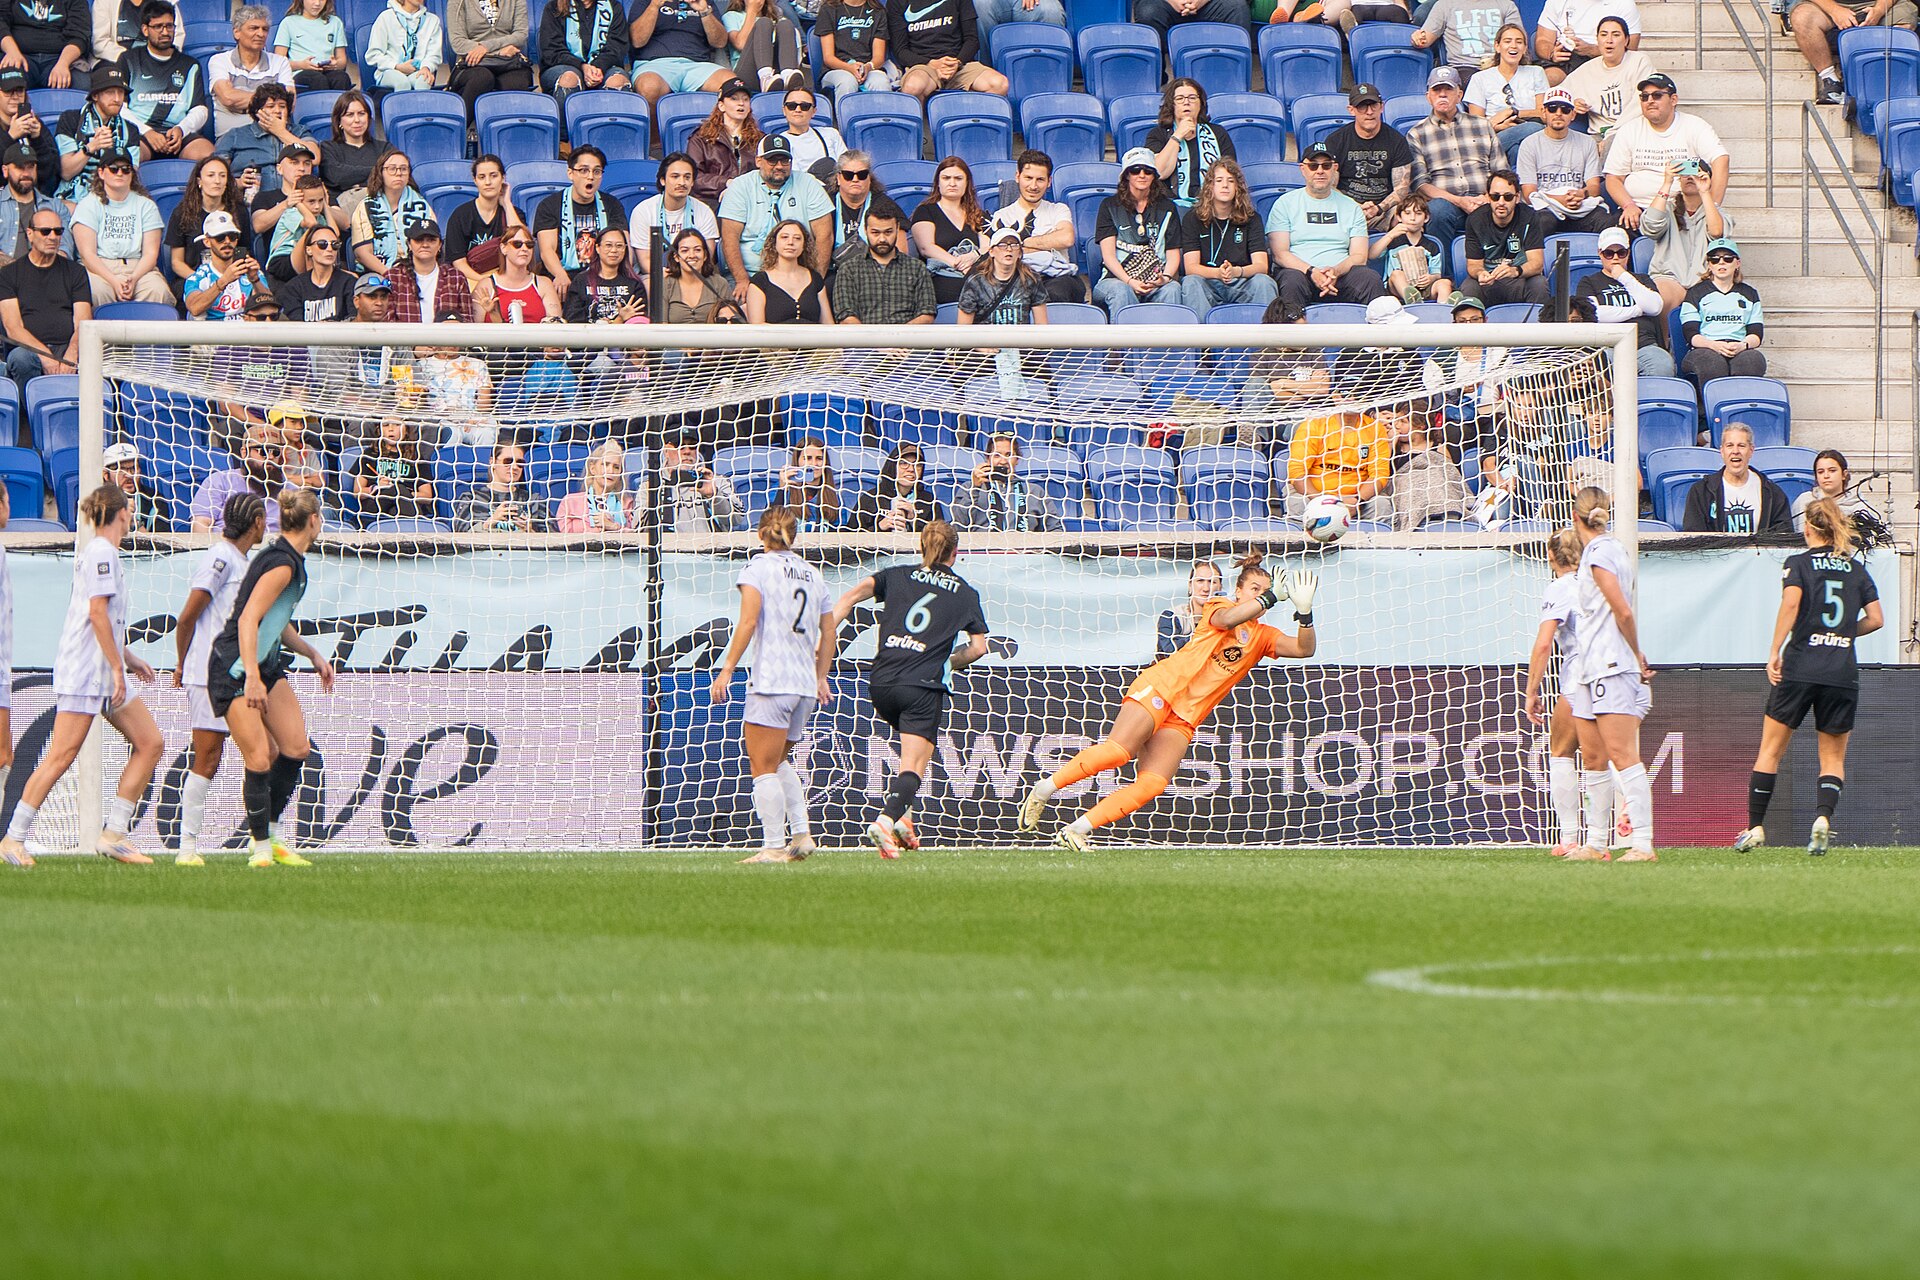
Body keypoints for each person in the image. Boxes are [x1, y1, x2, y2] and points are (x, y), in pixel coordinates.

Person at [1020, 555, 1318, 848]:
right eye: (1255, 588)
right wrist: (1269, 598)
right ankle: (1044, 788)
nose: (1261, 594)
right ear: (1238, 591)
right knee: (1118, 752)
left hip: (1186, 715)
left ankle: (1076, 829)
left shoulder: (1264, 636)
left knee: (1153, 783)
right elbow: (1228, 620)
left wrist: (1305, 614)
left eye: (1265, 589)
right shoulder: (1220, 605)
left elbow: (1304, 650)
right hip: (1162, 687)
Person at [0, 486, 165, 868]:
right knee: (60, 756)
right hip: (86, 673)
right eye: (129, 507)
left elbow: (104, 620)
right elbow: (96, 614)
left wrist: (129, 658)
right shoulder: (102, 553)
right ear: (120, 513)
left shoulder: (103, 553)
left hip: (103, 671)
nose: (132, 513)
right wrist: (115, 667)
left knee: (150, 742)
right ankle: (13, 838)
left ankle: (114, 835)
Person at [830, 520, 990, 857]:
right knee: (914, 766)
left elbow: (848, 598)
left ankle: (905, 821)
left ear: (921, 547)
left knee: (908, 753)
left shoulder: (895, 575)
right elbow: (978, 648)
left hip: (882, 683)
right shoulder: (965, 593)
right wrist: (949, 662)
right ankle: (885, 822)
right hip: (921, 686)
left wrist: (822, 643)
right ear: (956, 553)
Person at [1737, 499, 1885, 854]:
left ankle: (1756, 828)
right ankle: (1822, 818)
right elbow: (1877, 618)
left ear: (1807, 528)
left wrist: (1774, 650)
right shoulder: (1855, 569)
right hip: (1841, 671)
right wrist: (1845, 632)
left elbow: (1791, 604)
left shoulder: (1799, 563)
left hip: (1801, 666)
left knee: (1770, 750)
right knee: (1832, 759)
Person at [208, 486, 335, 868]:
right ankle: (260, 848)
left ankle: (272, 836)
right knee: (261, 757)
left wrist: (312, 653)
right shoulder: (281, 563)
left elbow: (276, 623)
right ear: (314, 521)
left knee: (296, 748)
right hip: (235, 667)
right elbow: (248, 619)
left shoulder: (291, 560)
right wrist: (250, 678)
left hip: (264, 664)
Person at [710, 504, 833, 862]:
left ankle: (773, 846)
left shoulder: (757, 568)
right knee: (779, 761)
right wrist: (821, 675)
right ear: (793, 535)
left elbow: (748, 622)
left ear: (761, 533)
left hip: (772, 680)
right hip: (804, 686)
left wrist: (728, 667)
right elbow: (829, 630)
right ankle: (803, 834)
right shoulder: (814, 574)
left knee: (762, 766)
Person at [169, 491, 267, 865]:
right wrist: (182, 663)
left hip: (235, 672)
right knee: (208, 757)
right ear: (257, 522)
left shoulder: (242, 561)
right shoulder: (221, 558)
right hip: (208, 672)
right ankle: (187, 846)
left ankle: (262, 838)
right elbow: (187, 617)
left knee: (262, 751)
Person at [1559, 486, 1656, 861]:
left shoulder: (1601, 554)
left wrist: (1635, 653)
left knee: (1622, 753)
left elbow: (1623, 611)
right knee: (1594, 757)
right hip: (1588, 666)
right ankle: (1596, 842)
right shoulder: (1600, 553)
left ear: (1574, 516)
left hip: (1611, 664)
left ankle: (1643, 842)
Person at [1522, 528, 1588, 856]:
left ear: (1551, 558)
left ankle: (1570, 837)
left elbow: (1544, 642)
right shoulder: (1601, 583)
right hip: (1618, 678)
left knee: (1561, 752)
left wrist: (1531, 691)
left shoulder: (1559, 589)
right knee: (1609, 758)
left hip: (1580, 680)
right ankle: (1619, 832)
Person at [1267, 141, 1386, 311]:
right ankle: (1291, 335)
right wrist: (1312, 272)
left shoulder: (1351, 206)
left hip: (1341, 276)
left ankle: (1378, 335)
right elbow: (1280, 254)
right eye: (1313, 166)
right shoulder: (1285, 203)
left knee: (1370, 278)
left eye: (1326, 165)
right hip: (1301, 273)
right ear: (1303, 169)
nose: (1320, 171)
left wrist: (1335, 272)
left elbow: (1359, 256)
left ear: (1334, 168)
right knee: (1291, 281)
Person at [1605, 73, 1730, 227]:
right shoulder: (1629, 130)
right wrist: (1628, 205)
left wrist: (1712, 207)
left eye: (1657, 95)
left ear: (1673, 100)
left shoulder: (1694, 125)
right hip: (1637, 211)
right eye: (1645, 97)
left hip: (1680, 210)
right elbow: (1613, 178)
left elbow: (1721, 159)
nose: (1650, 101)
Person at [1406, 66, 1505, 252]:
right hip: (1448, 203)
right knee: (1437, 211)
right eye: (1437, 90)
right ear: (1428, 96)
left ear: (1459, 95)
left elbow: (1501, 171)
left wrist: (1487, 198)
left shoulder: (1482, 125)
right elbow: (1420, 184)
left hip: (1485, 199)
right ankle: (1444, 276)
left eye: (1448, 89)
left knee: (1509, 205)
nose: (1442, 94)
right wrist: (1459, 201)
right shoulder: (1417, 134)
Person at [717, 133, 832, 293]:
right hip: (750, 274)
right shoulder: (740, 187)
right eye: (772, 160)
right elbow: (729, 238)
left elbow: (825, 235)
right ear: (758, 161)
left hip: (798, 274)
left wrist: (816, 280)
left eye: (784, 160)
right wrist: (741, 279)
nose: (779, 166)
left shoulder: (809, 184)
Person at [0, 204, 84, 395]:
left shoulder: (76, 272)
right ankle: (30, 421)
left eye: (58, 231)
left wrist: (71, 354)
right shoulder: (9, 274)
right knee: (21, 359)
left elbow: (83, 323)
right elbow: (13, 327)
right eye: (45, 231)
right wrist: (46, 356)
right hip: (29, 352)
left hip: (67, 347)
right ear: (30, 234)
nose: (53, 237)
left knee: (95, 355)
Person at [70, 151, 172, 307]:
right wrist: (114, 280)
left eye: (126, 169)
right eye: (113, 168)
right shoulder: (88, 204)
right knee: (96, 292)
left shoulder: (146, 205)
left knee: (158, 291)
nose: (120, 173)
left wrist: (133, 278)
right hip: (100, 267)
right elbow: (87, 255)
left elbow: (151, 254)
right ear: (101, 172)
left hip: (138, 266)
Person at [1177, 158, 1275, 320]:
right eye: (1219, 180)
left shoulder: (1252, 218)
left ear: (1238, 187)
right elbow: (1191, 267)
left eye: (1231, 181)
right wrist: (1218, 273)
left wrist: (1237, 271)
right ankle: (1202, 344)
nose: (1225, 185)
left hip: (1242, 280)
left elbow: (1261, 265)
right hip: (1209, 282)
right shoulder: (1192, 218)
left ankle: (1265, 343)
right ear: (1210, 186)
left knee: (1263, 282)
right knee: (1191, 282)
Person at [1092, 146, 1183, 316]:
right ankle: (1127, 344)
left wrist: (1165, 278)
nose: (1142, 175)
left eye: (1148, 171)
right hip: (1116, 280)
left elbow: (1173, 254)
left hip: (1156, 281)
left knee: (1173, 289)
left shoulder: (1168, 208)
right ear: (1126, 175)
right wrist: (1130, 281)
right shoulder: (1109, 206)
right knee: (1121, 291)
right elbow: (1109, 256)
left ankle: (1168, 343)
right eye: (1135, 170)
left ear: (1154, 176)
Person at [1285, 382, 1396, 521]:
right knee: (1296, 502)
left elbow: (1380, 475)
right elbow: (1296, 471)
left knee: (1381, 505)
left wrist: (1357, 501)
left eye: (1358, 395)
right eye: (1346, 394)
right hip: (1314, 496)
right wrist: (1323, 501)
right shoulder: (1314, 425)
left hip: (1357, 500)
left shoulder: (1375, 429)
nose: (1351, 399)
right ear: (1335, 397)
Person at [120, 2, 213, 163]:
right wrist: (147, 132)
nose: (165, 32)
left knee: (209, 156)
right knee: (129, 155)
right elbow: (120, 107)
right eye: (158, 27)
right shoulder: (128, 60)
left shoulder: (190, 65)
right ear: (145, 29)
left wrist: (181, 130)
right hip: (142, 134)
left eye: (169, 26)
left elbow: (200, 109)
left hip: (178, 134)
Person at [1572, 225, 1670, 375]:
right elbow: (1595, 315)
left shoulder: (1641, 279)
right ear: (1600, 253)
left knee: (1663, 365)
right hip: (1608, 345)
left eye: (1621, 253)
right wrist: (1638, 310)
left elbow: (1655, 307)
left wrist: (1623, 277)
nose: (1615, 258)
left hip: (1644, 344)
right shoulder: (1588, 282)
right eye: (1609, 253)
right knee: (1605, 366)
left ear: (1628, 253)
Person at [535, 144, 627, 297]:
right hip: (565, 275)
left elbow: (623, 244)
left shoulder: (612, 204)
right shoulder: (549, 205)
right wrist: (560, 274)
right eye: (584, 170)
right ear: (570, 173)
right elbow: (547, 250)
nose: (590, 176)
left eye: (596, 171)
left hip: (604, 274)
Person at [1639, 157, 1729, 313]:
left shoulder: (1715, 212)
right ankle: (1664, 338)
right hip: (1669, 277)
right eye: (1685, 173)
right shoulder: (1667, 207)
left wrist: (1704, 192)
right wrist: (1667, 183)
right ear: (1679, 179)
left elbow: (1716, 232)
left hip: (1704, 279)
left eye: (1696, 172)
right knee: (1660, 299)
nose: (1690, 177)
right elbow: (1651, 226)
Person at [993, 149, 1082, 303]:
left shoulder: (1058, 209)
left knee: (1057, 290)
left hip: (1057, 277)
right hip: (1018, 277)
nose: (1033, 186)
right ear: (1017, 177)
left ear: (1049, 181)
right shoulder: (1002, 216)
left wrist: (1022, 243)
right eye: (1028, 178)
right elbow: (1001, 253)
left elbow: (1066, 239)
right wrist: (1048, 243)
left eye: (1040, 179)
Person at [1324, 83, 1415, 232]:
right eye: (1362, 107)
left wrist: (1378, 209)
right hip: (1346, 208)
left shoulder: (1396, 140)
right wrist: (1356, 207)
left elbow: (1402, 189)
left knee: (1407, 216)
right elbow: (1330, 187)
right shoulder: (1336, 140)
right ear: (1351, 110)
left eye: (1373, 105)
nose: (1369, 112)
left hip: (1383, 210)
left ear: (1381, 107)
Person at [1559, 16, 1656, 156]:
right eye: (1604, 35)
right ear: (1597, 39)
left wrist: (1613, 134)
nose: (1609, 40)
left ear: (1626, 40)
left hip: (1631, 132)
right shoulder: (1586, 70)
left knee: (1612, 147)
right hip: (1597, 136)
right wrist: (1573, 104)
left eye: (1616, 35)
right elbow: (1558, 95)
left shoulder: (1639, 62)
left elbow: (1641, 104)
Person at [1518, 87, 1608, 233]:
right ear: (1543, 112)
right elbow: (1529, 194)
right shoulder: (1530, 144)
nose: (1558, 114)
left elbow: (1594, 187)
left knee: (1605, 219)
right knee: (1543, 220)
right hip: (1545, 209)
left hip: (1578, 208)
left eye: (1565, 110)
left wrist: (1582, 194)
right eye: (1552, 109)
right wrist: (1557, 199)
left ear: (1572, 115)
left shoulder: (1587, 142)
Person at [1679, 422, 1793, 535]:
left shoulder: (1773, 493)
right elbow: (1693, 538)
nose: (1735, 451)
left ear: (1751, 451)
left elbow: (1784, 537)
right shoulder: (1701, 492)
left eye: (1741, 446)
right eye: (1729, 446)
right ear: (1722, 451)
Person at [1679, 236, 1765, 384]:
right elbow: (1690, 333)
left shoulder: (1749, 294)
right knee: (1712, 364)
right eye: (1715, 259)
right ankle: (1713, 406)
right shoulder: (1695, 293)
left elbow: (1756, 334)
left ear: (1737, 263)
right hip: (1705, 347)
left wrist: (1742, 345)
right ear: (1709, 265)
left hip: (1739, 346)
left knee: (1752, 360)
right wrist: (1713, 345)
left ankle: (1741, 406)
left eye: (1728, 258)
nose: (1721, 263)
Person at [834, 204, 936, 324]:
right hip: (863, 340)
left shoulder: (917, 268)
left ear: (897, 228)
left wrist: (900, 337)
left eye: (888, 232)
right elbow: (845, 315)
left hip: (907, 340)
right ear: (865, 230)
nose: (882, 239)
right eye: (875, 233)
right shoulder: (849, 269)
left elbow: (927, 312)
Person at [55, 65, 140, 206]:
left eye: (120, 92)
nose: (117, 99)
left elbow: (130, 177)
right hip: (73, 198)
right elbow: (66, 172)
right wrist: (92, 147)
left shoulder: (131, 129)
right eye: (110, 92)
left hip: (114, 199)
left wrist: (113, 153)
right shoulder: (70, 119)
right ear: (95, 95)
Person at [1144, 79, 1235, 211]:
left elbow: (1230, 172)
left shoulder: (1217, 132)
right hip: (1170, 206)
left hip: (1212, 204)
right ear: (1172, 105)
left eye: (1192, 98)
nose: (1186, 102)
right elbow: (1159, 172)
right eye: (1180, 98)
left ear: (1200, 103)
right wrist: (1177, 136)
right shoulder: (1158, 134)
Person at [889, 0, 1006, 102]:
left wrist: (957, 62)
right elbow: (901, 51)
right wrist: (931, 63)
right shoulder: (897, 2)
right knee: (912, 87)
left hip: (959, 63)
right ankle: (925, 125)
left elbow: (972, 40)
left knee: (1000, 84)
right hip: (924, 66)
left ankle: (972, 124)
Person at [1465, 23, 1549, 165]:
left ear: (1525, 48)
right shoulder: (1480, 78)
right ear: (1497, 46)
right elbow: (1477, 126)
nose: (1514, 46)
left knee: (1528, 135)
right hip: (1494, 134)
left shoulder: (1536, 72)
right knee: (1524, 140)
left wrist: (1513, 113)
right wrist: (1498, 125)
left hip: (1531, 131)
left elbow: (1544, 114)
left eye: (1519, 42)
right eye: (1507, 41)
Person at [1463, 169, 1548, 307]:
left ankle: (1536, 327)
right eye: (1495, 197)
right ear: (1488, 197)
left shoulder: (1530, 217)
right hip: (1489, 280)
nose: (1501, 202)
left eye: (1508, 197)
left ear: (1517, 197)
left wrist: (1515, 271)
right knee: (1469, 286)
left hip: (1518, 278)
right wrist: (1480, 274)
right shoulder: (1475, 220)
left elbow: (1537, 264)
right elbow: (1473, 265)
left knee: (1539, 283)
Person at [629, 0, 735, 111]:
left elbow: (720, 42)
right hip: (655, 65)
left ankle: (712, 128)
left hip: (697, 65)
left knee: (731, 86)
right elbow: (637, 41)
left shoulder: (705, 2)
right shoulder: (645, 1)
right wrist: (654, 5)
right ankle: (655, 129)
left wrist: (704, 12)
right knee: (650, 87)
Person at [911, 155, 989, 306]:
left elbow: (987, 246)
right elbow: (926, 247)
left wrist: (974, 255)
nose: (952, 183)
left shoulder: (978, 214)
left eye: (958, 178)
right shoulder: (926, 211)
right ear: (938, 183)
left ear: (967, 183)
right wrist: (958, 263)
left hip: (975, 275)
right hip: (940, 278)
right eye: (946, 178)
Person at [950, 432, 1060, 533]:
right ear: (988, 459)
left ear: (1017, 459)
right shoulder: (969, 487)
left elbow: (1055, 530)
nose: (1003, 461)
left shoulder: (1035, 491)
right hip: (982, 552)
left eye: (1008, 455)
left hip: (1025, 552)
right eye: (997, 455)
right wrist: (975, 489)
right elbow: (957, 529)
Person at [210, 7, 295, 135]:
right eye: (254, 28)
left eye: (265, 29)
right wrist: (271, 100)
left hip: (272, 133)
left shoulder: (280, 62)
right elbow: (228, 98)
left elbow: (289, 102)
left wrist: (241, 98)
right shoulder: (219, 60)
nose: (261, 34)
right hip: (232, 135)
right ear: (236, 32)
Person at [631, 152, 717, 276]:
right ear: (662, 180)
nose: (682, 182)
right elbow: (645, 261)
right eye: (675, 176)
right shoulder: (643, 211)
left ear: (692, 182)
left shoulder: (704, 211)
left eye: (687, 177)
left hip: (694, 275)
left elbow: (706, 257)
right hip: (657, 276)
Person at [445, 154, 522, 288]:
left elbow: (521, 244)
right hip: (471, 278)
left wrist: (507, 204)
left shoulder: (514, 213)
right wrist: (485, 281)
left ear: (503, 178)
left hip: (509, 278)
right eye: (482, 177)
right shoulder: (460, 215)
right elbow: (458, 262)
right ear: (475, 180)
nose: (488, 182)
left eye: (494, 175)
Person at [190, 423, 284, 532]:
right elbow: (201, 524)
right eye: (263, 451)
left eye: (276, 452)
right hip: (224, 545)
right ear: (244, 453)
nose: (271, 457)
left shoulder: (290, 489)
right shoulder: (219, 481)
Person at [212, 84, 315, 182]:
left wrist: (281, 132)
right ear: (258, 111)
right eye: (271, 106)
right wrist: (239, 183)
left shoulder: (300, 131)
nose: (277, 111)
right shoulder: (236, 135)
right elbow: (216, 171)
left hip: (293, 196)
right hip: (249, 197)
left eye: (282, 106)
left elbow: (315, 157)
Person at [540, 0, 631, 106]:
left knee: (617, 81)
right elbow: (552, 51)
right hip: (563, 66)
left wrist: (596, 68)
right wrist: (582, 67)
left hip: (604, 66)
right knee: (569, 80)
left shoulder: (613, 7)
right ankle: (565, 123)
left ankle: (612, 123)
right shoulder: (554, 7)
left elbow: (617, 48)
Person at [687, 76, 759, 208]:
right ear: (721, 105)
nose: (741, 103)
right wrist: (726, 183)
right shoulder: (701, 138)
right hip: (711, 203)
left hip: (751, 200)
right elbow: (694, 177)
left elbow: (765, 174)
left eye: (745, 99)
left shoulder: (759, 139)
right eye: (734, 98)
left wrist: (737, 189)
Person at [448, 0, 532, 113]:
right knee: (482, 78)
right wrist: (495, 53)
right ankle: (461, 127)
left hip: (508, 61)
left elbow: (521, 35)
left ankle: (507, 129)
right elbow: (458, 42)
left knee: (516, 83)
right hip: (472, 63)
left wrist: (487, 47)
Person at [1414, 0, 1522, 86]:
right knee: (1474, 83)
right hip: (1464, 67)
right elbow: (1424, 39)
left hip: (1500, 65)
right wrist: (1417, 38)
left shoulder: (1506, 5)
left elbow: (1518, 39)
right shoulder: (1445, 5)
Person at [957, 223, 1049, 324]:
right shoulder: (975, 282)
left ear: (1019, 252)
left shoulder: (1031, 279)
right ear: (991, 251)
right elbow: (963, 329)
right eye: (1002, 245)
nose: (1009, 249)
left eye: (1014, 245)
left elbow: (1042, 325)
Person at [165, 155, 238, 279]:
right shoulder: (182, 213)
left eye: (222, 175)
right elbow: (177, 263)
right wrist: (200, 281)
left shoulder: (238, 211)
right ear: (199, 181)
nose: (217, 181)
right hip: (193, 278)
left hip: (231, 279)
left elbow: (243, 252)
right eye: (211, 175)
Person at [1370, 192, 1450, 305]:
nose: (1412, 218)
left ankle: (1445, 311)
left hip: (1423, 288)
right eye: (1407, 213)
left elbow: (1437, 273)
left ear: (1426, 218)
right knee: (1396, 274)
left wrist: (1431, 278)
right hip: (1397, 290)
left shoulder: (1432, 245)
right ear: (1399, 217)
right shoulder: (1393, 240)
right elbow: (1372, 255)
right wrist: (1390, 235)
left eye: (1418, 214)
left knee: (1445, 283)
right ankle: (1413, 302)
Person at [389, 218, 477, 323]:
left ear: (440, 245)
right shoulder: (393, 277)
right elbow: (386, 323)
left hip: (446, 338)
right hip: (403, 338)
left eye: (431, 240)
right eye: (419, 240)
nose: (425, 245)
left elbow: (468, 322)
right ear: (409, 244)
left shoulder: (456, 278)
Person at [185, 209, 266, 319]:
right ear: (207, 242)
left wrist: (255, 280)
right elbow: (194, 308)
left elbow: (271, 309)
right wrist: (224, 281)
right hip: (214, 333)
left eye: (232, 237)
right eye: (220, 237)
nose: (227, 241)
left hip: (247, 333)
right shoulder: (199, 277)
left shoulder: (252, 271)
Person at [1535, 0, 1643, 82]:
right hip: (1564, 60)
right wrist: (1552, 53)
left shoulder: (1625, 4)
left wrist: (1592, 50)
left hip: (1604, 60)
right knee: (1547, 79)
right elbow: (1542, 40)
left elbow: (1630, 48)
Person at [454, 440, 549, 531]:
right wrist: (491, 522)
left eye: (520, 463)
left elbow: (554, 540)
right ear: (492, 462)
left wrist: (530, 531)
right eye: (508, 461)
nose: (515, 467)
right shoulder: (470, 499)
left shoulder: (535, 500)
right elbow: (459, 538)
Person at [355, 416, 435, 520]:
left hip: (403, 506)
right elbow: (357, 492)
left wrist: (404, 494)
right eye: (386, 425)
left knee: (395, 504)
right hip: (376, 505)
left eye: (397, 425)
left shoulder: (416, 457)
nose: (391, 429)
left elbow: (427, 496)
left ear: (406, 429)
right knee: (395, 490)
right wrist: (376, 487)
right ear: (379, 430)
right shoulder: (370, 454)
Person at [851, 441, 942, 532]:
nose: (911, 469)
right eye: (903, 463)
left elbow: (939, 539)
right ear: (892, 466)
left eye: (917, 464)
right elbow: (849, 536)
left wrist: (914, 521)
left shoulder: (930, 501)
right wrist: (879, 527)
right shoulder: (871, 498)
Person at [723, 0, 808, 97]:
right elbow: (741, 44)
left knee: (786, 24)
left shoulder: (776, 18)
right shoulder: (731, 16)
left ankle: (787, 76)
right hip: (747, 72)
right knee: (763, 23)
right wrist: (752, 11)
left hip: (777, 73)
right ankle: (765, 77)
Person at [0, 0, 89, 92]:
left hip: (60, 58)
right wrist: (12, 51)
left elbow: (79, 35)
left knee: (82, 83)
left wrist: (63, 63)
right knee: (8, 82)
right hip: (19, 55)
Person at [563, 224, 646, 323]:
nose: (614, 250)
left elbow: (640, 322)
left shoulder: (634, 284)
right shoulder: (581, 281)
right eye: (608, 245)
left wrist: (618, 321)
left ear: (625, 249)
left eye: (619, 246)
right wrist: (616, 321)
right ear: (597, 248)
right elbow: (572, 321)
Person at [480, 224, 562, 322]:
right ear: (503, 248)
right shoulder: (486, 286)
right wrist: (494, 313)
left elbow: (556, 325)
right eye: (517, 244)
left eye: (529, 244)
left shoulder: (543, 284)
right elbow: (474, 331)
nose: (524, 249)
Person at [1792, 448, 1883, 535]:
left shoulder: (1860, 507)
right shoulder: (1804, 501)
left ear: (1844, 474)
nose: (1826, 476)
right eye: (1820, 472)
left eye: (1832, 471)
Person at [273, 220, 352, 320]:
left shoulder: (349, 283)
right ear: (309, 250)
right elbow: (296, 325)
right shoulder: (294, 288)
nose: (329, 249)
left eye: (334, 244)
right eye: (322, 244)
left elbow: (353, 319)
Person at [367, 0, 445, 93]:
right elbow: (373, 55)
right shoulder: (386, 17)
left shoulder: (432, 20)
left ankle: (421, 107)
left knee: (424, 80)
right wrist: (397, 66)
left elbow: (434, 55)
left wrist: (426, 67)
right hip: (390, 70)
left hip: (417, 71)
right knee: (402, 83)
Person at [556, 440, 635, 532]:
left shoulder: (627, 503)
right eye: (605, 464)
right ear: (592, 468)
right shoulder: (569, 502)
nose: (611, 471)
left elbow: (634, 536)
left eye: (616, 467)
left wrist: (613, 526)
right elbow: (565, 539)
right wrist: (599, 528)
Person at [816, 0, 889, 98]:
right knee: (847, 82)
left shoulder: (878, 11)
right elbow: (828, 58)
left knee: (881, 82)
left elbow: (879, 58)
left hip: (868, 68)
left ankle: (882, 114)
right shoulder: (828, 9)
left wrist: (868, 67)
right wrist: (849, 68)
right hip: (836, 68)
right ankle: (843, 114)